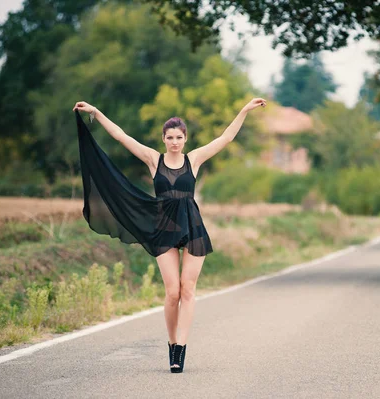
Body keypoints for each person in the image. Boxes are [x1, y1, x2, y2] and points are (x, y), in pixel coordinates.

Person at [73, 97, 267, 373]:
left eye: (179, 137)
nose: (174, 142)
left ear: (185, 139)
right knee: (172, 292)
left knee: (188, 290)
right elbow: (121, 136)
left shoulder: (194, 159)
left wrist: (244, 111)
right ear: (163, 139)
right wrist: (96, 112)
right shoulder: (154, 159)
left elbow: (225, 138)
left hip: (192, 227)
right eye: (170, 137)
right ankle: (171, 341)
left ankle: (180, 350)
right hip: (163, 228)